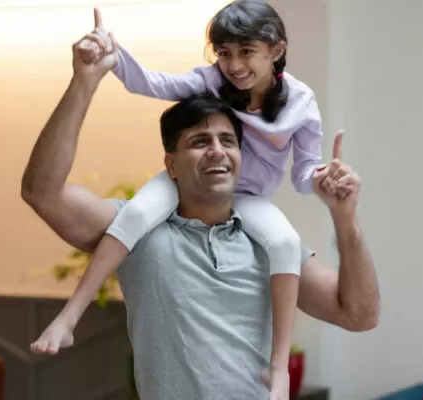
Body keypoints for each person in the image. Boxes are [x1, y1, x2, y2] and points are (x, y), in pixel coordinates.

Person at [19, 24, 377, 400]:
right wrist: (84, 82)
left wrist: (345, 218)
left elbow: (359, 315)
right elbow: (42, 193)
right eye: (200, 141)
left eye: (228, 141)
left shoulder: (269, 242)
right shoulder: (136, 228)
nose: (217, 151)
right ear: (171, 164)